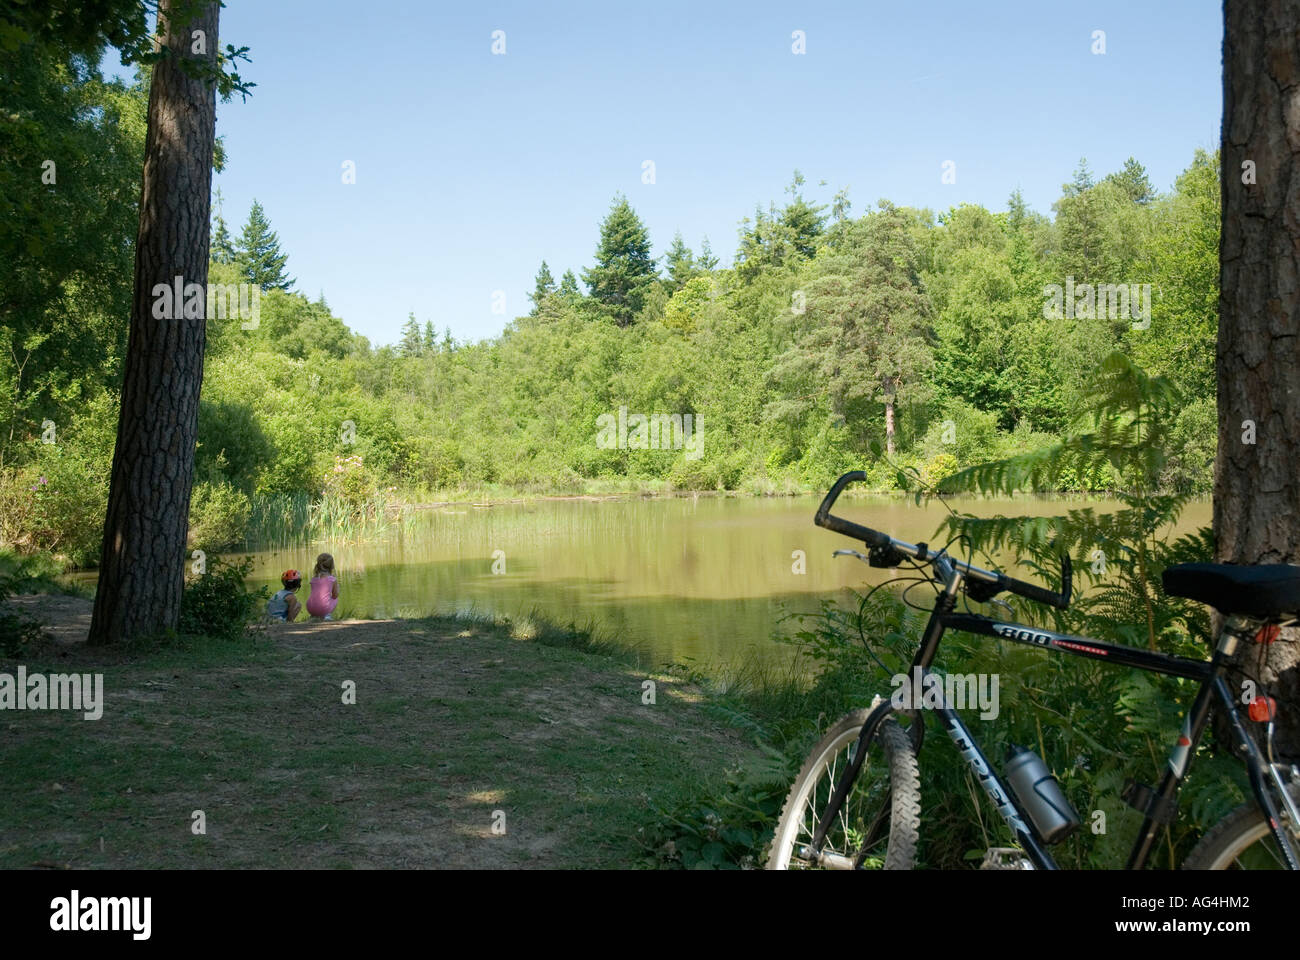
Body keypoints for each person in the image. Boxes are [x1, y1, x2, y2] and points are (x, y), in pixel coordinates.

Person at [306, 552, 339, 621]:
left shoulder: (314, 578)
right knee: (335, 599)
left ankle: (314, 616)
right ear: (331, 566)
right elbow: (335, 595)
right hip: (323, 608)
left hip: (310, 607)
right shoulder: (332, 579)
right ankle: (327, 615)